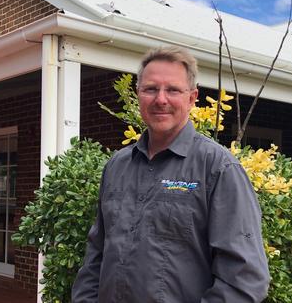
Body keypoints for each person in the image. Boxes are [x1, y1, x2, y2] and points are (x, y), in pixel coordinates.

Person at [72, 46, 270, 302]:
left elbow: (244, 279)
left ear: (191, 97)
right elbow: (96, 254)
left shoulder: (218, 169)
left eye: (173, 90)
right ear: (138, 94)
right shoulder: (117, 166)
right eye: (151, 89)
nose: (161, 99)